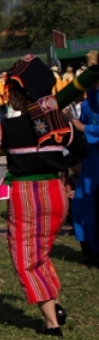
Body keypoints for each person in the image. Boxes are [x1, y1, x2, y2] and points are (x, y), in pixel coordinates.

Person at [0, 56, 88, 336]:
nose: (8, 96)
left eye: (11, 91)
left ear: (22, 94)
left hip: (27, 195)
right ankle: (53, 304)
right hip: (56, 193)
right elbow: (82, 151)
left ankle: (51, 323)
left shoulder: (9, 128)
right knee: (42, 253)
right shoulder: (61, 125)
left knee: (26, 257)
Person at [72, 74, 99, 267]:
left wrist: (83, 128)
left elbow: (83, 126)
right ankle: (88, 251)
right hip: (89, 161)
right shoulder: (88, 101)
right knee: (82, 206)